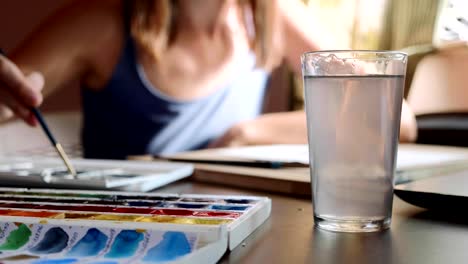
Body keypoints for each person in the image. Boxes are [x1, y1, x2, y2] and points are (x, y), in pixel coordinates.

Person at [0, 0, 417, 159]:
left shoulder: (271, 16)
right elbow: (10, 93)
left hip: (238, 227)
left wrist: (249, 132)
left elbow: (396, 117)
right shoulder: (99, 22)